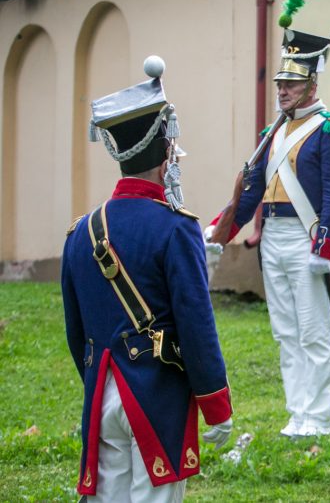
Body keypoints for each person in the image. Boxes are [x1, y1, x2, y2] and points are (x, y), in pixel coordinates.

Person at [62, 57, 233, 502]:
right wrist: (216, 403)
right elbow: (196, 324)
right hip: (157, 395)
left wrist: (99, 382)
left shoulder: (82, 231)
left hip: (101, 391)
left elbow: (75, 330)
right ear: (166, 153)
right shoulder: (177, 228)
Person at [208, 27, 330, 439]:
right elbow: (251, 194)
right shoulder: (271, 134)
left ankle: (320, 418)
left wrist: (324, 247)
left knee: (313, 332)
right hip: (272, 238)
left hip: (307, 239)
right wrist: (220, 231)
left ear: (312, 84)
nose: (283, 90)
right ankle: (297, 413)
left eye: (291, 83)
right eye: (280, 83)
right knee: (286, 333)